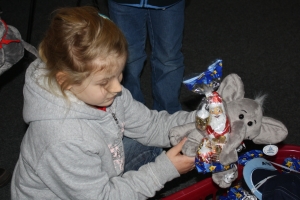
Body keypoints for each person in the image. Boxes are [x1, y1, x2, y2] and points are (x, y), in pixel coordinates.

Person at [10, 6, 196, 199]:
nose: (117, 88)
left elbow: (151, 126)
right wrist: (163, 171)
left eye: (119, 73)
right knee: (155, 162)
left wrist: (200, 121)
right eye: (105, 81)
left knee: (151, 145)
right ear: (64, 81)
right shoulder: (62, 139)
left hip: (93, 170)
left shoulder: (102, 89)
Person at [108, 0, 185, 114]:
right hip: (123, 3)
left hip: (169, 2)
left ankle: (168, 115)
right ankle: (131, 114)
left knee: (169, 60)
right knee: (126, 59)